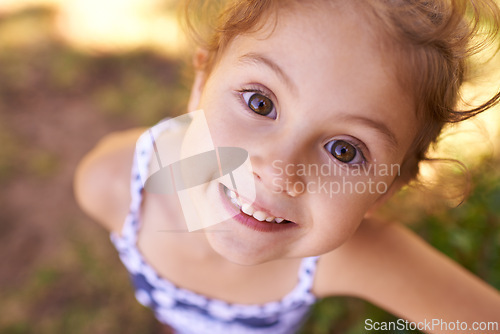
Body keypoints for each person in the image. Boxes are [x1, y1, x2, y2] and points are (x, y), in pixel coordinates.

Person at [74, 0, 500, 333]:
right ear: (202, 82)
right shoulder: (111, 184)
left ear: (386, 189)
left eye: (344, 151)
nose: (279, 171)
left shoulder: (351, 257)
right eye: (260, 103)